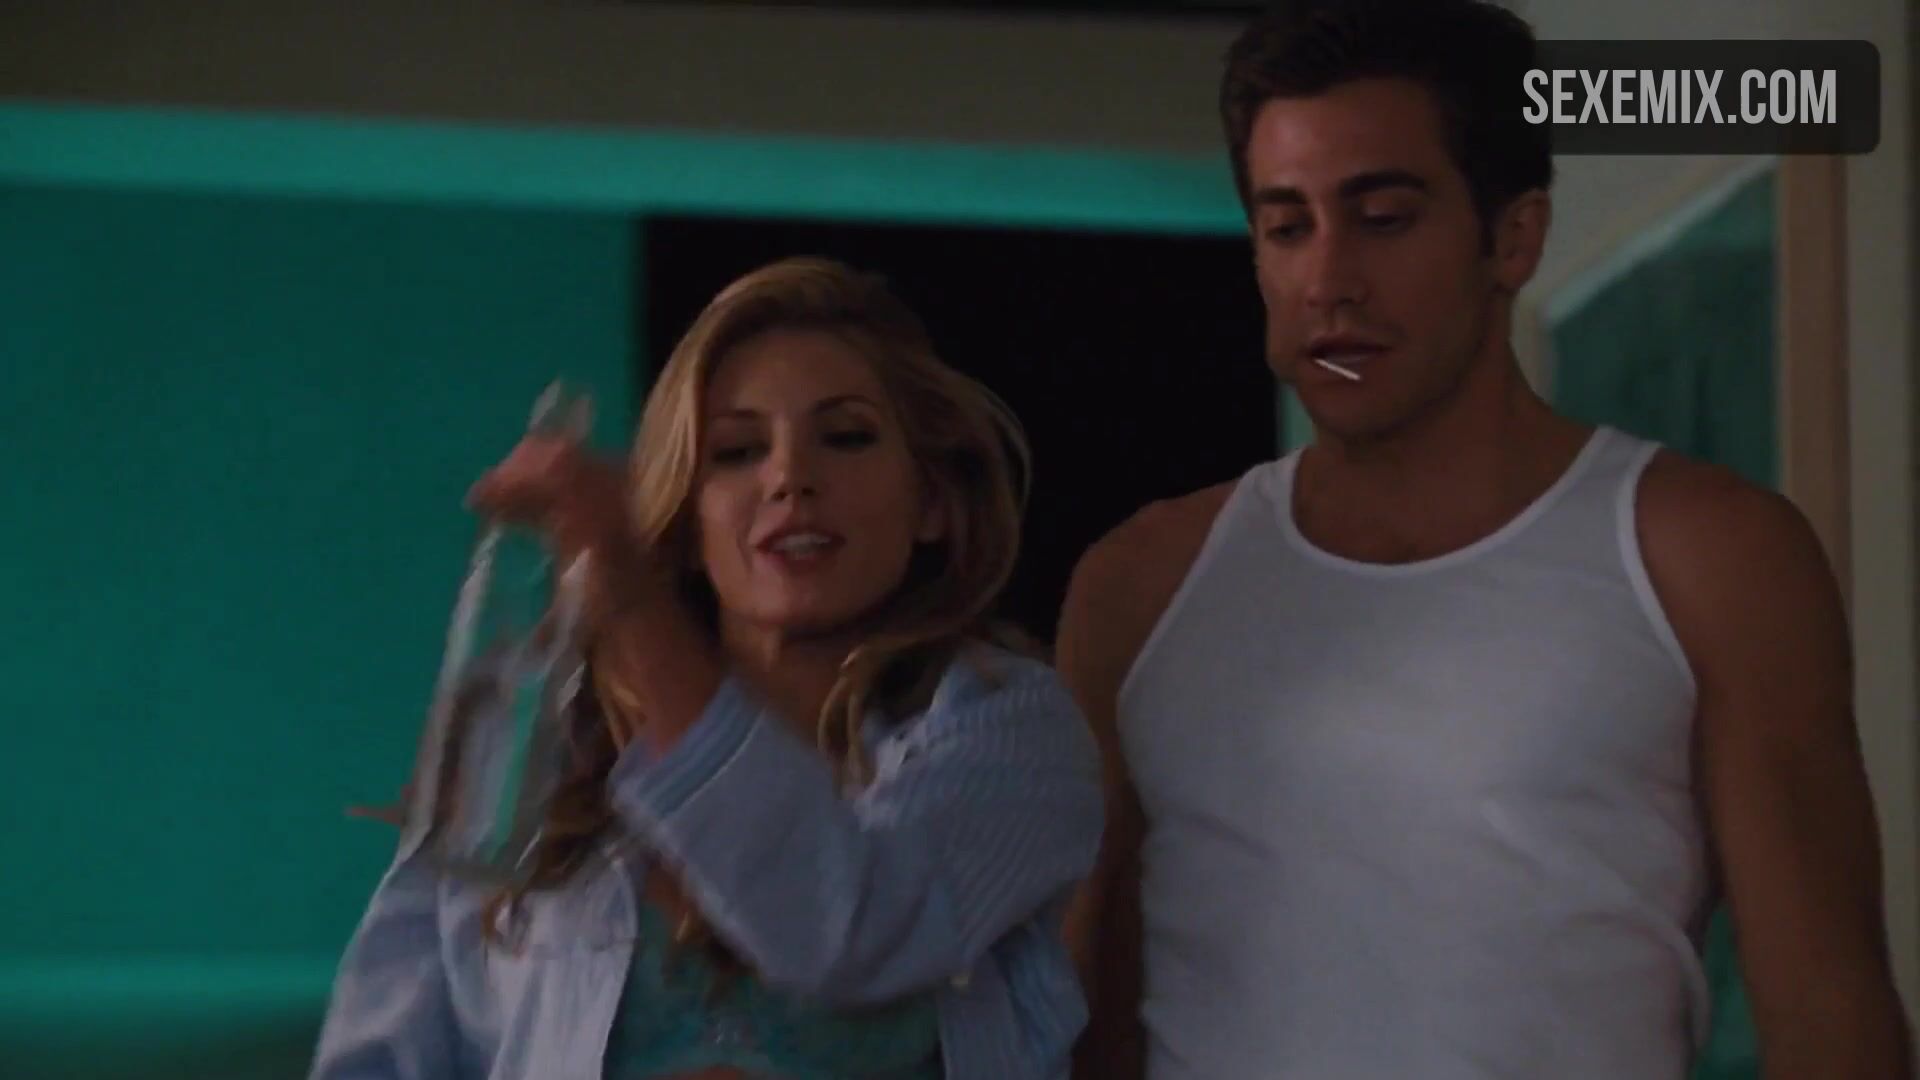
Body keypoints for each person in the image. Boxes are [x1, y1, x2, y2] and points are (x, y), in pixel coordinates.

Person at [1059, 2, 1912, 1077]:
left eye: (1383, 218)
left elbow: (1830, 1019)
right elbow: (1078, 1018)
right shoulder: (1142, 585)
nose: (1328, 281)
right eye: (1287, 228)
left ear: (1512, 239)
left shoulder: (1705, 556)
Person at [310, 256, 1105, 1080]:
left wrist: (629, 600)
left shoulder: (1008, 732)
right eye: (737, 450)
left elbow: (849, 928)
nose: (790, 478)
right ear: (688, 519)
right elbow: (389, 1049)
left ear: (933, 502)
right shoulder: (539, 744)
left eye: (846, 437)